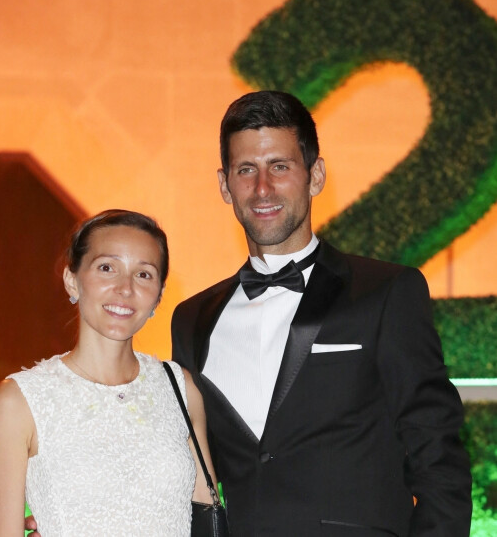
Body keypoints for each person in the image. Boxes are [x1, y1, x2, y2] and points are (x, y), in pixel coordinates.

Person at [171, 91, 472, 536]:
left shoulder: (387, 292)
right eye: (246, 170)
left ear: (315, 175)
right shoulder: (192, 318)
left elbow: (438, 457)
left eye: (280, 166)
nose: (262, 188)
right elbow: (187, 466)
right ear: (224, 184)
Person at [0, 209, 217, 536]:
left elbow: (206, 513)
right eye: (107, 268)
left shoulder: (179, 388)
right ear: (72, 280)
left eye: (144, 274)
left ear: (158, 297)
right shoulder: (18, 401)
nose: (125, 288)